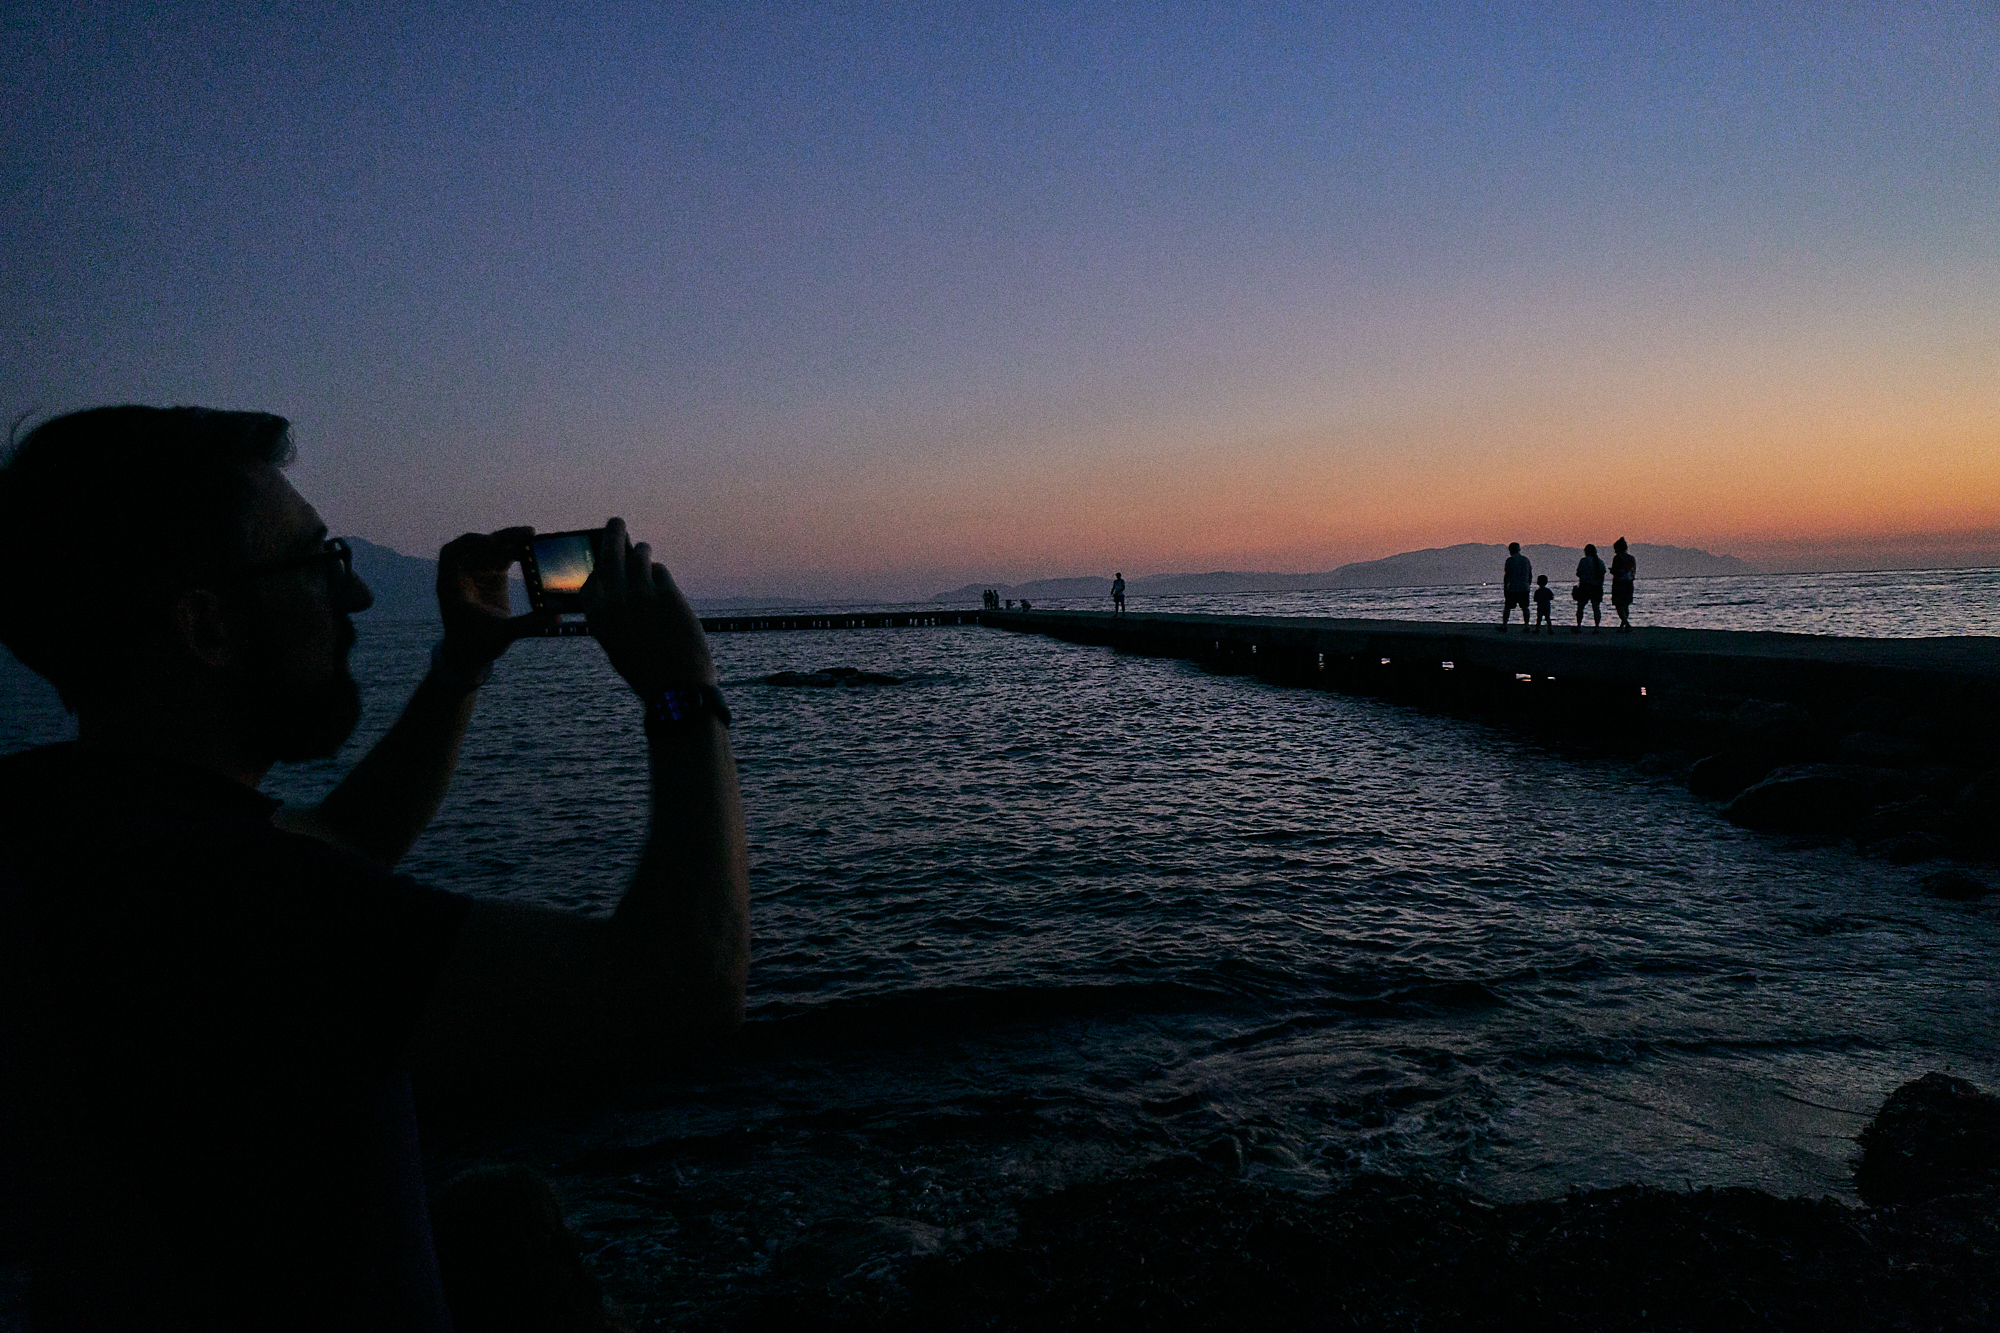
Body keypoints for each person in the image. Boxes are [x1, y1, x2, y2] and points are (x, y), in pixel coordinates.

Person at [0, 406, 749, 1330]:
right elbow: (687, 976)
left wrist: (460, 665)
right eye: (319, 565)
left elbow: (341, 840)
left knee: (498, 1205)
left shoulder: (71, 826)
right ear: (207, 625)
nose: (354, 601)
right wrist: (684, 689)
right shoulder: (225, 901)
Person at [1499, 542, 1532, 631]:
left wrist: (1505, 588)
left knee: (1508, 608)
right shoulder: (1526, 560)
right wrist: (1528, 585)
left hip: (1512, 587)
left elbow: (1507, 575)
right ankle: (1526, 625)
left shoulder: (1510, 561)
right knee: (1525, 607)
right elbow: (1530, 575)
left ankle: (1504, 625)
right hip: (1524, 587)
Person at [1574, 542, 1606, 632]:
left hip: (1585, 586)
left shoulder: (1584, 561)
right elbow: (1602, 575)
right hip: (1597, 587)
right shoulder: (1600, 562)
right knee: (1596, 608)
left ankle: (1579, 626)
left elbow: (1578, 573)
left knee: (1580, 607)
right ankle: (1597, 627)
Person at [1610, 537, 1637, 633]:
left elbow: (1615, 570)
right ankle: (1623, 625)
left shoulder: (1617, 558)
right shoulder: (1631, 558)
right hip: (1629, 583)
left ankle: (1626, 623)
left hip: (1619, 584)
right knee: (1625, 605)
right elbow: (1633, 572)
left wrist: (1612, 571)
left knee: (1619, 605)